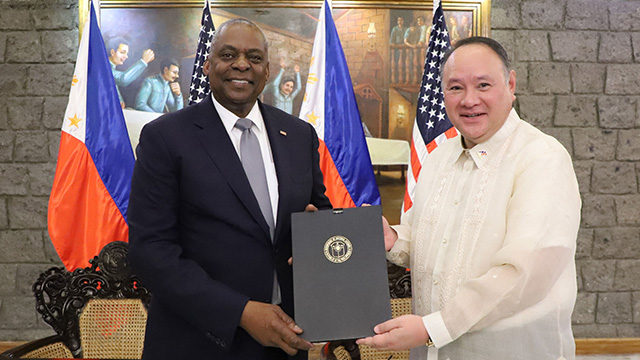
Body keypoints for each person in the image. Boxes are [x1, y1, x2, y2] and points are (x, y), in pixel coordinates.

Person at [357, 37, 581, 359]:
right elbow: (430, 238)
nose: (469, 100)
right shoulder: (437, 158)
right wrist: (394, 238)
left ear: (510, 84)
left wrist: (433, 328)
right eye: (456, 88)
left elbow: (524, 273)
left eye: (483, 85)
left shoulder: (542, 158)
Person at [127, 18, 332, 360]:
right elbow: (151, 249)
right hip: (197, 342)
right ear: (208, 66)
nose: (241, 64)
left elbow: (318, 210)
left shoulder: (298, 135)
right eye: (228, 54)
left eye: (254, 57)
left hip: (284, 342)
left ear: (267, 71)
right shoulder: (165, 137)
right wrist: (241, 312)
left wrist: (318, 231)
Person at [106, 37, 155, 108]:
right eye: (123, 52)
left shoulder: (110, 67)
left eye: (126, 53)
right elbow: (123, 79)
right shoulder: (104, 68)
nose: (126, 56)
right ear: (113, 52)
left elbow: (114, 88)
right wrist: (143, 61)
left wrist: (120, 100)